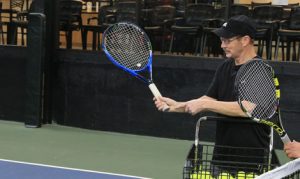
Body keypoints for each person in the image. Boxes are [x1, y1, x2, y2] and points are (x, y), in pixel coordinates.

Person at [155, 15, 271, 176]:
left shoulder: (260, 71)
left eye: (227, 40)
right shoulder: (225, 67)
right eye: (222, 40)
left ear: (245, 40)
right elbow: (209, 99)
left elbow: (248, 108)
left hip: (250, 162)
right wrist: (176, 106)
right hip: (220, 159)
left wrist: (203, 105)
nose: (222, 45)